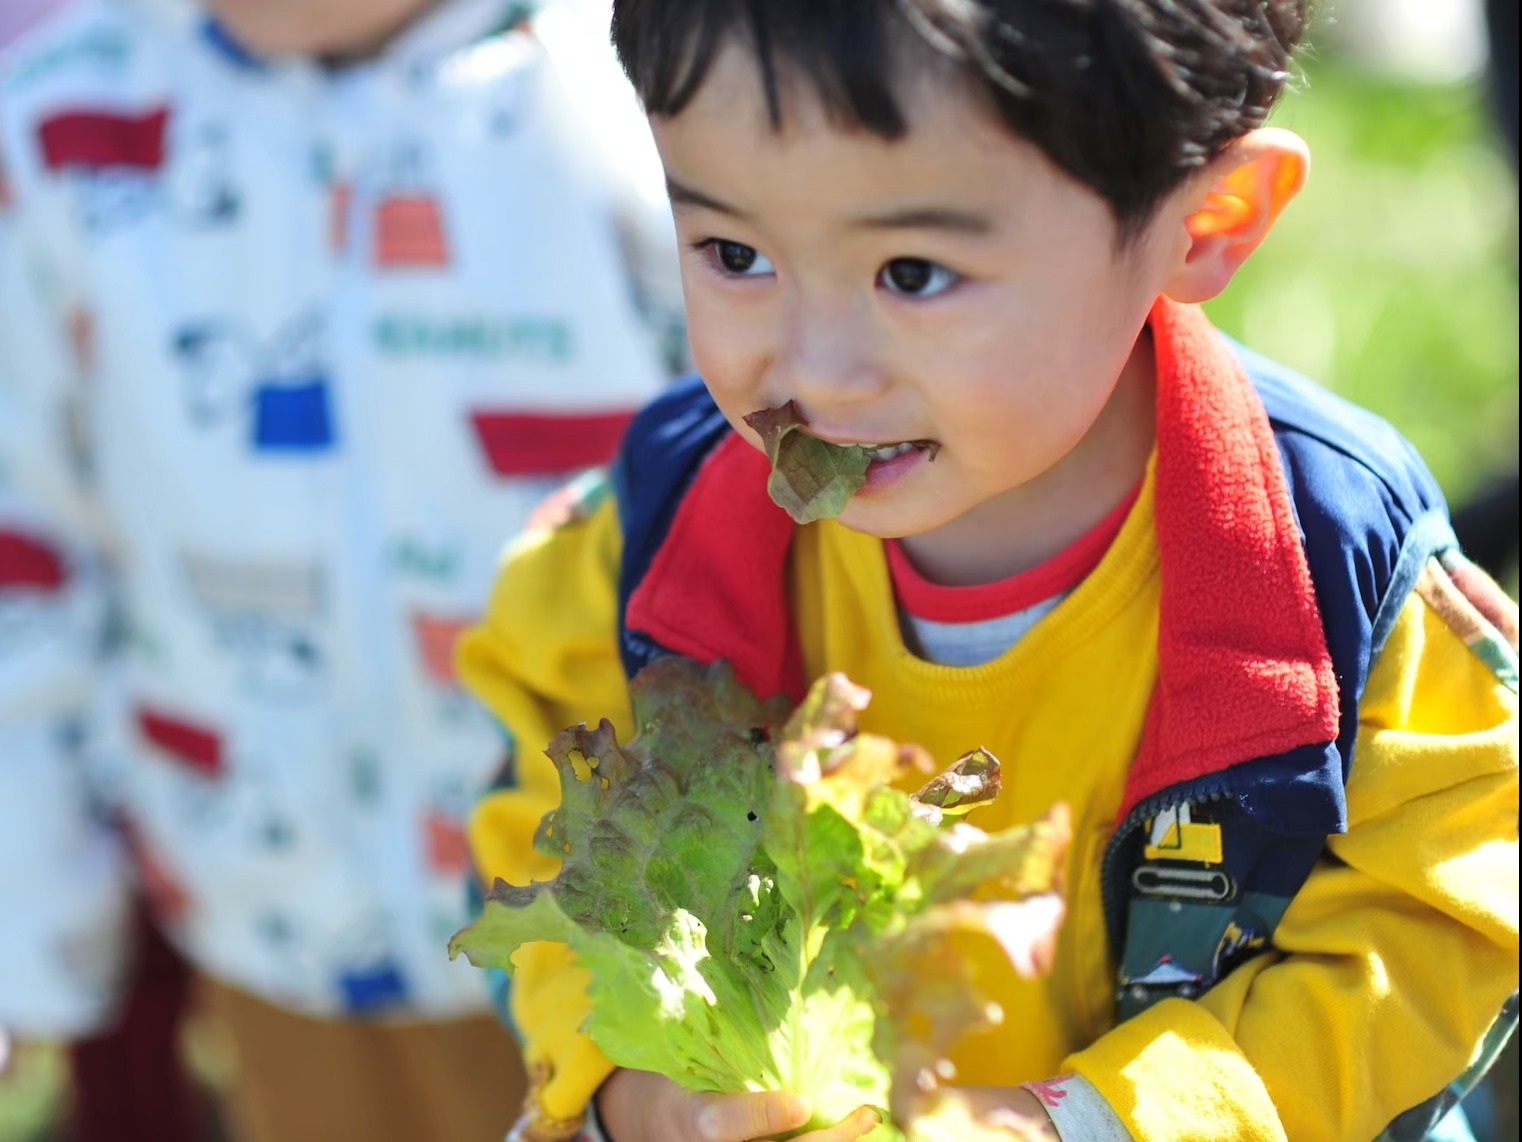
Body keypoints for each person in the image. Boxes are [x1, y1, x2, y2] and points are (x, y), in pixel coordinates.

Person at [457, 2, 1521, 1141]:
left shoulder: (1328, 563)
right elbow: (549, 818)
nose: (815, 369)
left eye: (912, 272)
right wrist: (633, 1081)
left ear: (1206, 217)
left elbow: (1442, 914)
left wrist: (1087, 1120)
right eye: (735, 254)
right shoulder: (651, 530)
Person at [0, 0, 682, 1139]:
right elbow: (27, 538)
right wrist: (34, 918)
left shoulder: (647, 84)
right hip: (267, 925)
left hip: (617, 929)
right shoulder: (66, 122)